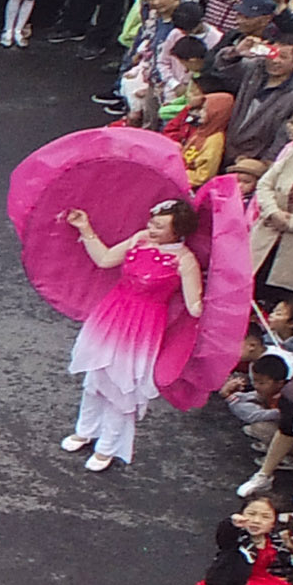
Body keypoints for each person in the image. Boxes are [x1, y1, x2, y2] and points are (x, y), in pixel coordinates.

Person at [64, 189, 213, 472]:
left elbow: (194, 306)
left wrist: (220, 297)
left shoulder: (185, 260)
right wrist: (85, 228)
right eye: (152, 222)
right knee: (96, 375)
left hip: (143, 326)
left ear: (178, 231)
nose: (151, 229)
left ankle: (108, 446)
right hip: (112, 313)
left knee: (123, 386)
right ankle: (85, 430)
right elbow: (105, 259)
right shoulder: (140, 239)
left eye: (160, 226)